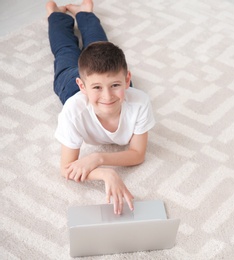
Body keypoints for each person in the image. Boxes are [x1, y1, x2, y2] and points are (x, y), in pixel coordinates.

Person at [46, 0, 155, 215]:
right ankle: (57, 16)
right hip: (70, 87)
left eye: (116, 85)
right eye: (97, 88)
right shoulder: (73, 111)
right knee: (65, 50)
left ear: (127, 79)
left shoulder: (139, 102)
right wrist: (106, 174)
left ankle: (85, 13)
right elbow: (67, 168)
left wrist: (98, 158)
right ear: (83, 85)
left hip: (106, 86)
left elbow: (137, 154)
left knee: (100, 45)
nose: (107, 97)